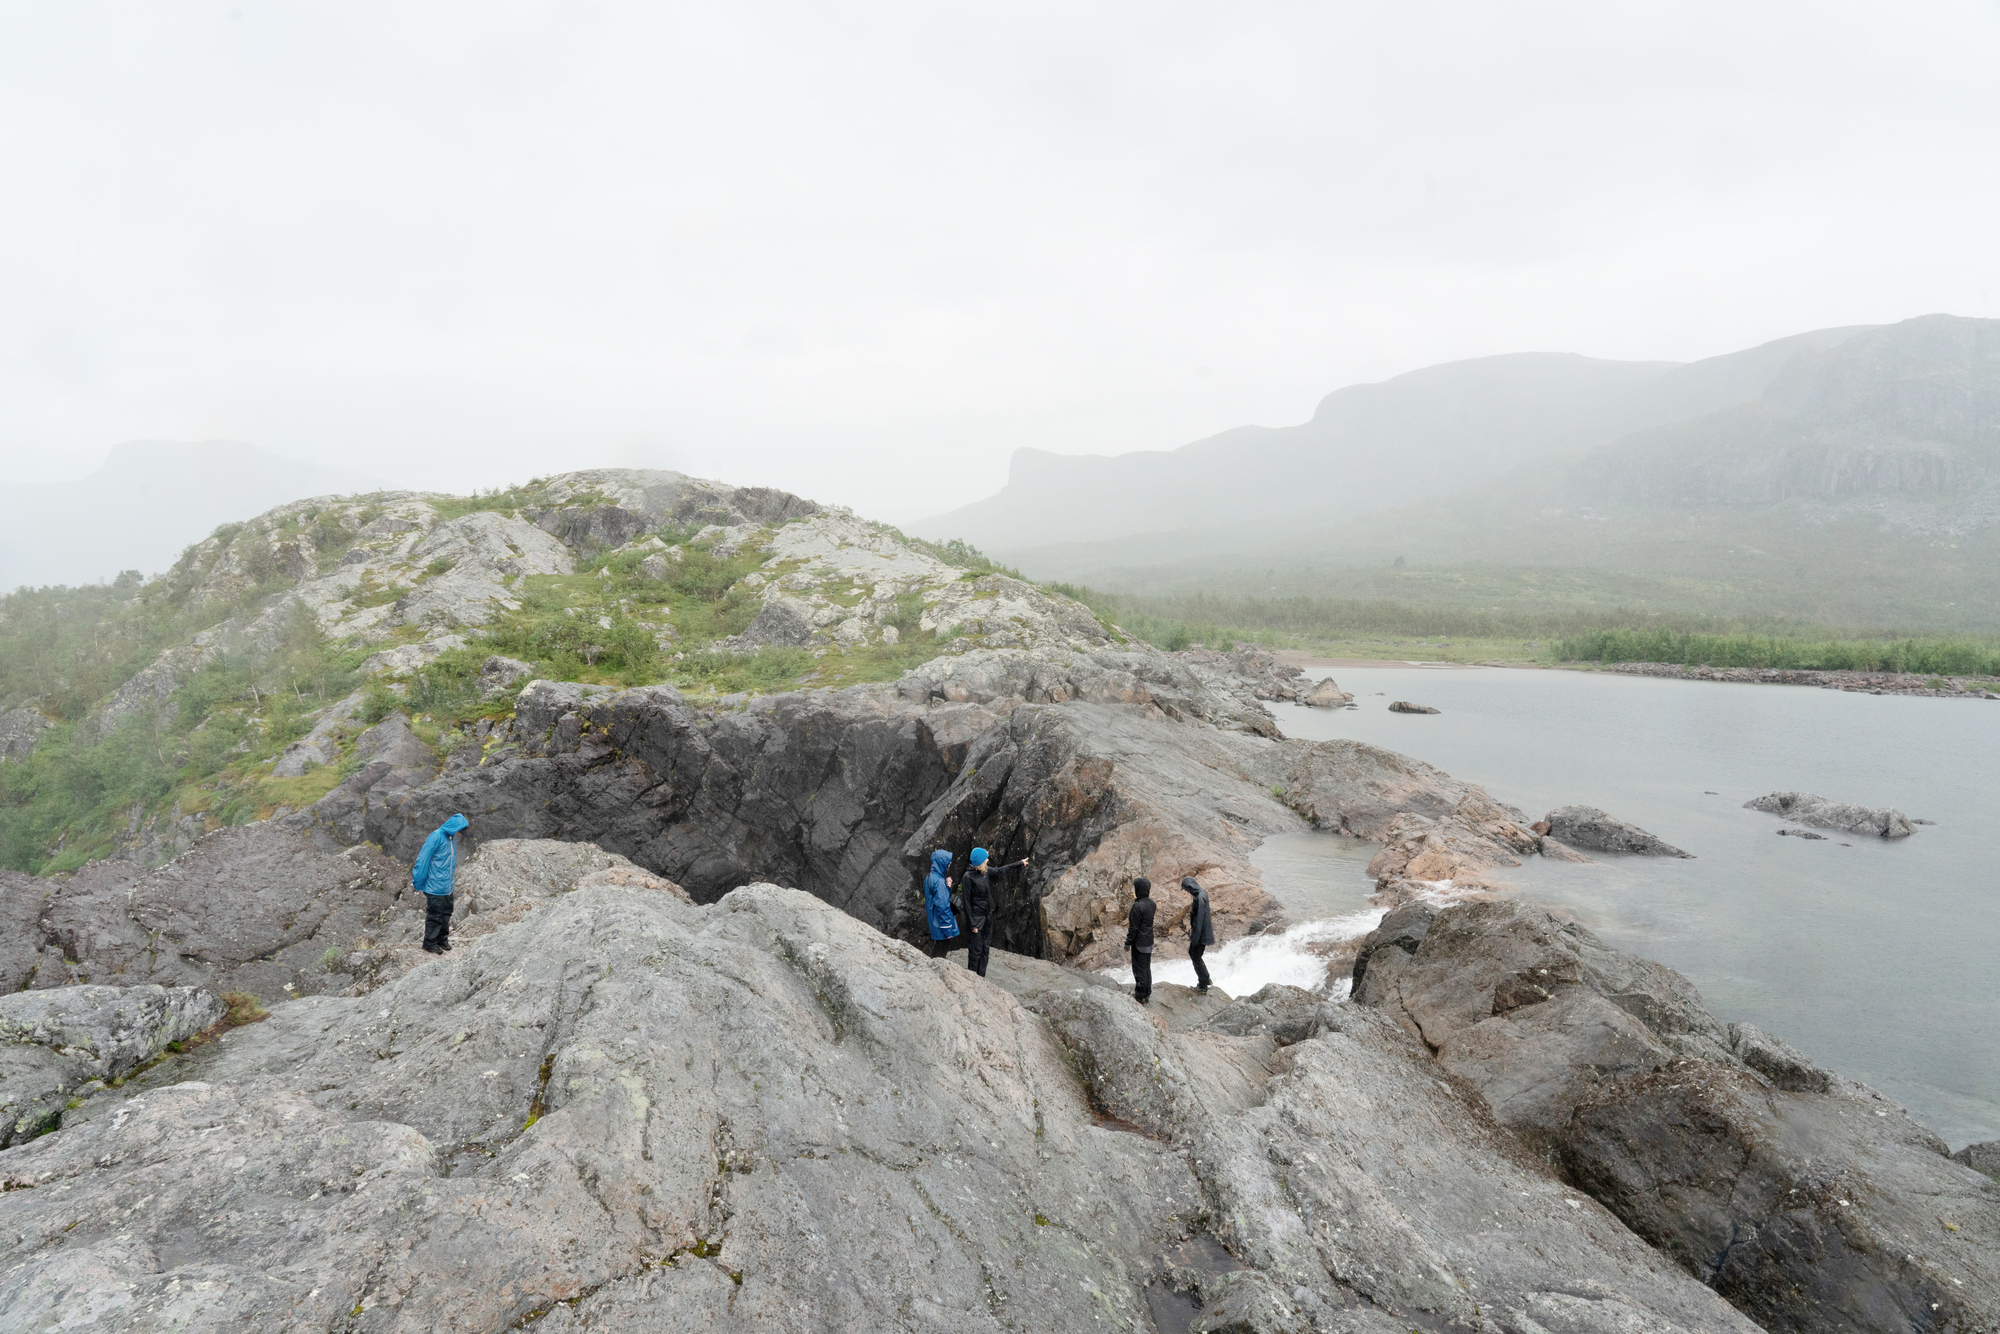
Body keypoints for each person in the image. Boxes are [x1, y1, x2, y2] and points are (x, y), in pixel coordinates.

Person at [957, 846, 1029, 978]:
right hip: (976, 920)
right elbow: (966, 903)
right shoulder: (968, 877)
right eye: (986, 859)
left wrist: (1020, 863)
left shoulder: (985, 872)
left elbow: (1001, 870)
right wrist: (972, 924)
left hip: (987, 917)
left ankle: (981, 979)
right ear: (979, 862)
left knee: (985, 949)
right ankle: (971, 979)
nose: (988, 860)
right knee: (975, 951)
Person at [412, 813, 469, 954]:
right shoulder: (436, 836)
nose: (459, 834)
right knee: (435, 916)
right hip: (434, 886)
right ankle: (430, 943)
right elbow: (423, 859)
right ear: (454, 827)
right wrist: (418, 881)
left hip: (447, 886)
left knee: (446, 913)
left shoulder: (451, 839)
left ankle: (442, 940)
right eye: (459, 830)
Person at [1125, 877, 1156, 1003]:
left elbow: (1134, 928)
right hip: (1149, 940)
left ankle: (1140, 994)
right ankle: (1147, 992)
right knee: (1147, 967)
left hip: (1139, 943)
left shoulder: (1137, 906)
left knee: (1138, 969)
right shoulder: (1152, 904)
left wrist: (1128, 943)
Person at [1182, 875, 1215, 993]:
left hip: (1200, 935)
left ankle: (1203, 984)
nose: (1186, 891)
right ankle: (1206, 979)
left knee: (1195, 956)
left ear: (1190, 887)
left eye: (1186, 889)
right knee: (1195, 955)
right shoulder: (1202, 893)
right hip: (1203, 933)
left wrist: (1195, 939)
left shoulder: (1199, 898)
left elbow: (1199, 920)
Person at [922, 849, 959, 948]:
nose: (949, 865)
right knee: (941, 954)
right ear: (942, 863)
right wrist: (948, 930)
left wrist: (948, 887)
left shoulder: (929, 877)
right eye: (948, 863)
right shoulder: (939, 883)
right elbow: (943, 907)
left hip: (934, 924)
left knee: (937, 951)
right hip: (942, 927)